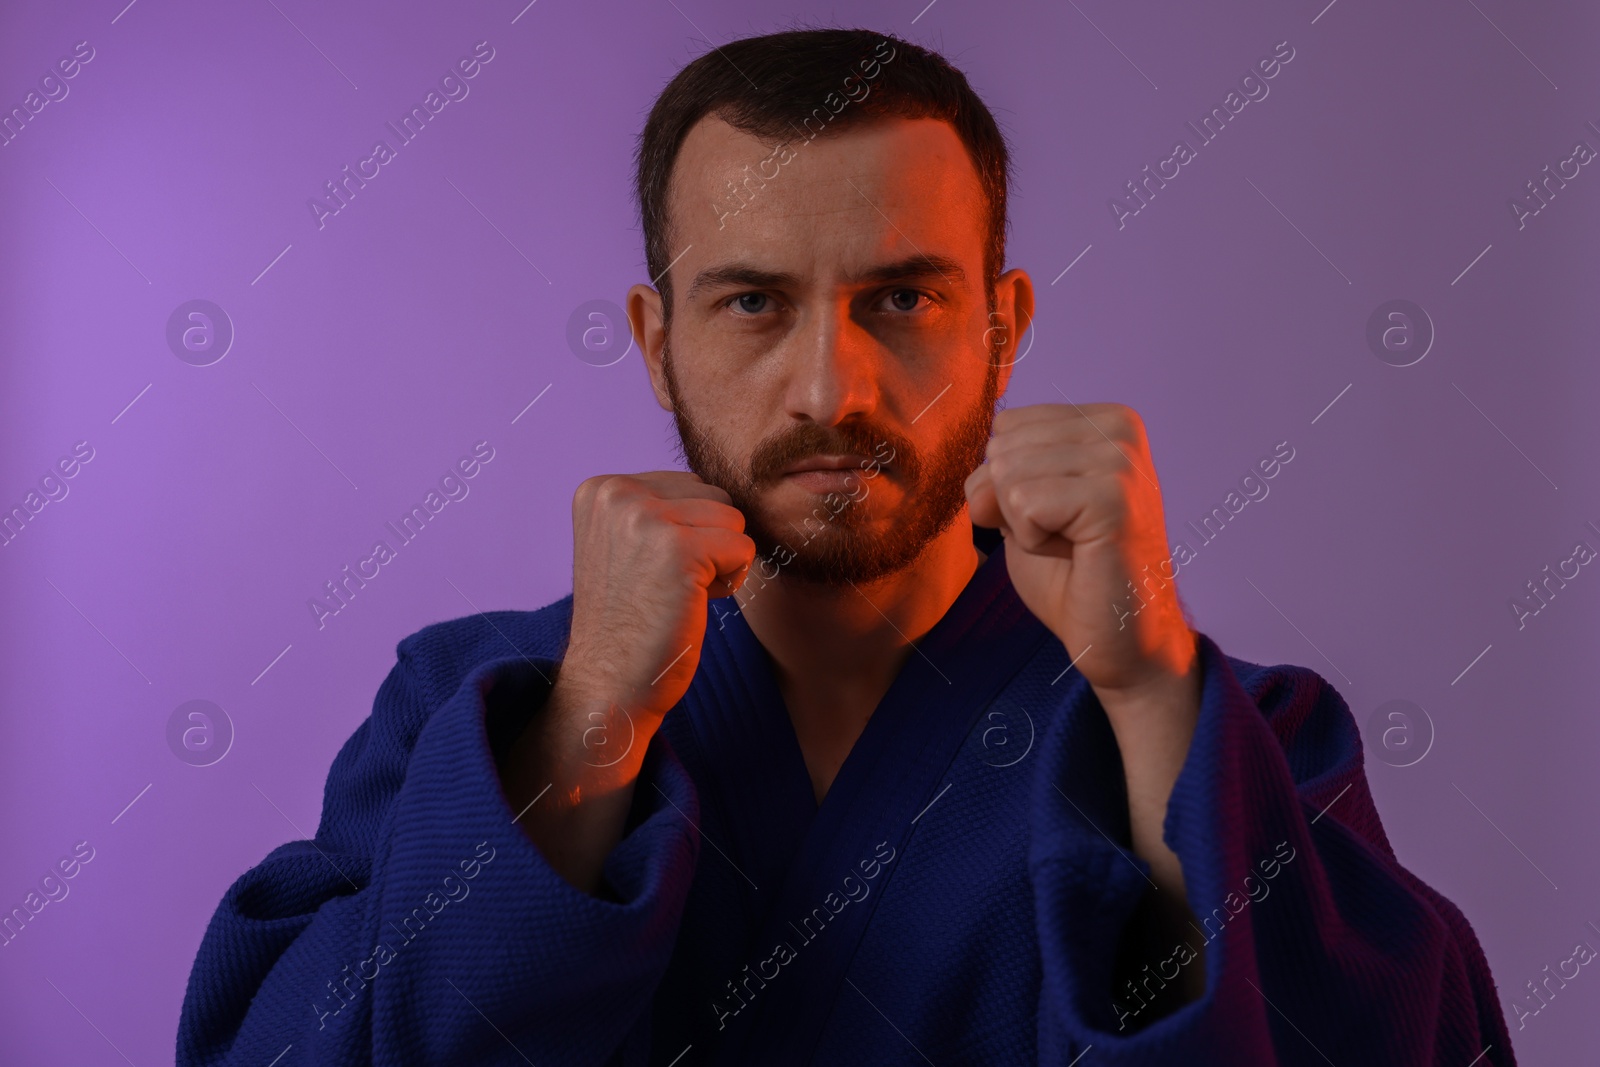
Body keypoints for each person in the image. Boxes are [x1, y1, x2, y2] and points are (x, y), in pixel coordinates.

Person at [178, 28, 1514, 1066]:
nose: (833, 388)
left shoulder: (1223, 729)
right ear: (656, 342)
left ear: (1001, 325)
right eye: (754, 301)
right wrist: (588, 722)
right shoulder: (473, 713)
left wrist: (1152, 690)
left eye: (905, 300)